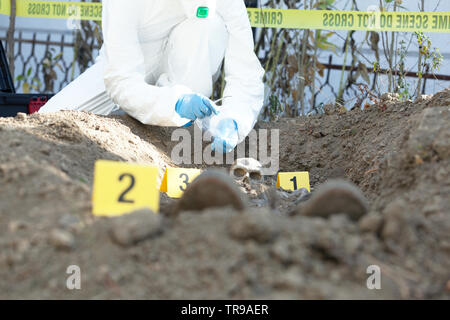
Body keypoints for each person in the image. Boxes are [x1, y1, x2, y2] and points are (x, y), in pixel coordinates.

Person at [39, 0, 265, 153]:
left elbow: (246, 71)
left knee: (210, 26)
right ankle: (168, 114)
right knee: (45, 122)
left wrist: (236, 119)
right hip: (129, 62)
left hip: (184, 62)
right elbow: (121, 80)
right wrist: (172, 103)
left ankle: (184, 131)